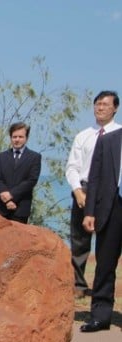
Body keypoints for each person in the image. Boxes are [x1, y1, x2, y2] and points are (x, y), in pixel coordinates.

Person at [66, 91, 120, 295]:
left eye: (105, 104)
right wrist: (78, 191)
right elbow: (72, 167)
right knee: (79, 240)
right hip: (85, 188)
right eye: (97, 104)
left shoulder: (119, 134)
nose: (100, 108)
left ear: (115, 108)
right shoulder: (83, 135)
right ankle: (78, 285)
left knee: (108, 243)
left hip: (111, 192)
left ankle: (102, 287)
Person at [79, 126, 122, 333]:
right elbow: (94, 178)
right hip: (111, 208)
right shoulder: (108, 140)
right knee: (105, 264)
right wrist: (90, 212)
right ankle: (100, 316)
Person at [0, 122, 42, 224]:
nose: (17, 140)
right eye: (14, 137)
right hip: (1, 208)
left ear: (26, 138)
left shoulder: (34, 157)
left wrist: (11, 196)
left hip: (20, 208)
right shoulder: (1, 157)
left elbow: (31, 181)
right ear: (10, 138)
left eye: (20, 137)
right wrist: (7, 199)